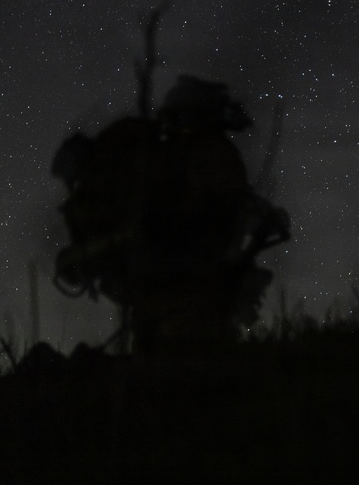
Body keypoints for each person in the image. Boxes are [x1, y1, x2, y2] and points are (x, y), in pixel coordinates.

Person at [52, 75, 289, 351]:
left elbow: (183, 221)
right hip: (174, 290)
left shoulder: (198, 158)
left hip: (183, 291)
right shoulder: (183, 159)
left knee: (184, 360)